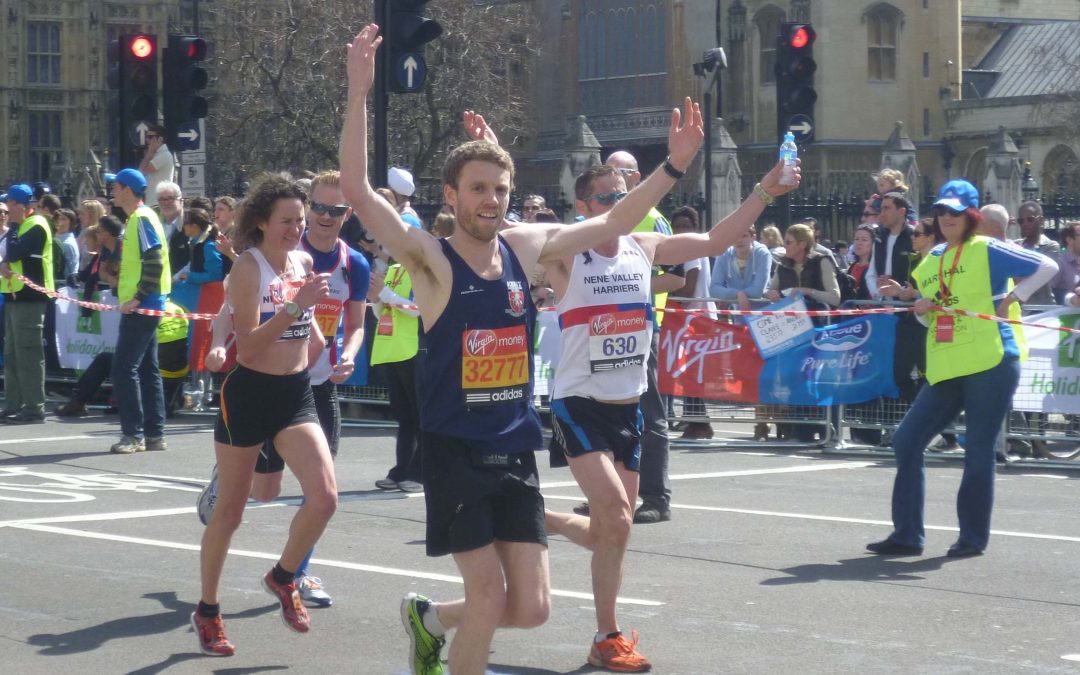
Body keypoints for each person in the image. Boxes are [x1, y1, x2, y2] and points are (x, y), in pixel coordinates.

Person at [339, 24, 703, 675]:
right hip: (455, 446)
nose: (491, 199)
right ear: (450, 197)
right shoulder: (430, 261)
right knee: (488, 598)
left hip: (516, 444)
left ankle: (426, 620)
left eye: (500, 189)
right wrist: (359, 94)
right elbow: (361, 194)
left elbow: (615, 220)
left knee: (530, 607)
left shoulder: (528, 248)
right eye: (477, 188)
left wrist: (672, 166)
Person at [544, 160, 793, 672]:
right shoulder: (567, 254)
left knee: (614, 529)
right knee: (613, 515)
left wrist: (765, 191)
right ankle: (608, 635)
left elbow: (716, 240)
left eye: (622, 194)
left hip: (628, 406)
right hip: (577, 404)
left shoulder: (645, 247)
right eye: (605, 198)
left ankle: (528, 517)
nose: (617, 205)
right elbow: (501, 229)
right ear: (583, 208)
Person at [866, 180, 1057, 559]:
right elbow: (931, 311)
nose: (947, 218)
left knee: (978, 450)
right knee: (906, 440)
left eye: (955, 212)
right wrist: (922, 309)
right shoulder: (933, 257)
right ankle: (907, 535)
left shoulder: (987, 248)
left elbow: (1047, 266)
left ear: (971, 215)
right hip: (948, 364)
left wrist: (1015, 297)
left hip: (991, 361)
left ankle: (972, 537)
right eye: (941, 212)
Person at [192, 173, 339, 657]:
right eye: (286, 221)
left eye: (300, 219)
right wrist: (296, 307)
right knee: (231, 514)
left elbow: (306, 324)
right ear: (260, 222)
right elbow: (250, 348)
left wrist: (323, 345)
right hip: (250, 393)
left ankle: (282, 578)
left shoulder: (301, 260)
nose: (296, 228)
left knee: (324, 498)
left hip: (295, 394)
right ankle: (208, 611)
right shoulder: (248, 269)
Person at [603, 150, 684, 525]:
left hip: (641, 326)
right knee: (608, 410)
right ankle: (611, 494)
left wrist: (629, 284)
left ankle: (655, 496)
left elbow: (677, 276)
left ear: (636, 178)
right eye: (608, 171)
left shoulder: (654, 219)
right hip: (604, 326)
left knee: (649, 414)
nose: (613, 180)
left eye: (620, 173)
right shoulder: (604, 216)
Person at [106, 169, 172, 454]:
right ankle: (154, 434)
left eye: (115, 187)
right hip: (148, 303)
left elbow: (154, 261)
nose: (112, 191)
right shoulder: (141, 218)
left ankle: (133, 435)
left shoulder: (142, 218)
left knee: (124, 368)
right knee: (147, 369)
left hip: (143, 306)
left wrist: (137, 297)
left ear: (127, 190)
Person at [56, 299, 189, 418]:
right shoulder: (178, 308)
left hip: (156, 368)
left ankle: (78, 402)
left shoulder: (144, 311)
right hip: (178, 371)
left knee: (105, 360)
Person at [0, 183, 54, 423]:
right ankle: (14, 404)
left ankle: (33, 407)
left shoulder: (36, 225)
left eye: (9, 204)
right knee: (12, 353)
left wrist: (12, 225)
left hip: (31, 299)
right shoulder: (22, 225)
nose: (7, 210)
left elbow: (13, 254)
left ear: (20, 205)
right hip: (14, 297)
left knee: (29, 353)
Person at [370, 261, 423, 492]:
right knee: (405, 417)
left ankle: (420, 473)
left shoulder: (422, 269)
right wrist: (376, 298)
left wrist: (384, 292)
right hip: (392, 349)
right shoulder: (393, 270)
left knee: (420, 416)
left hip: (414, 349)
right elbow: (380, 312)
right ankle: (401, 470)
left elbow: (417, 309)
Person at [669, 205, 718, 440]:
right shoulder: (687, 249)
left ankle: (699, 423)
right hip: (690, 318)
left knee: (692, 373)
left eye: (685, 226)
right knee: (689, 373)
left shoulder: (691, 251)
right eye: (676, 226)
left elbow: (688, 289)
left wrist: (664, 293)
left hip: (697, 318)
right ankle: (694, 419)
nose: (680, 231)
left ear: (694, 228)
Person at [765, 223, 841, 312]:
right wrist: (770, 294)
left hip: (819, 321)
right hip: (789, 321)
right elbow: (769, 291)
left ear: (802, 244)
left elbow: (835, 298)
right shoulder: (782, 264)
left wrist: (807, 291)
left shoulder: (822, 262)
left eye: (788, 242)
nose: (784, 246)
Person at [171, 208, 224, 313]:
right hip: (197, 297)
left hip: (206, 300)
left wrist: (189, 276)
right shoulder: (195, 244)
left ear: (194, 226)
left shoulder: (209, 246)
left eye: (185, 223)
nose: (183, 227)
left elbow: (215, 276)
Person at [1013, 201, 1059, 306]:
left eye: (1030, 219)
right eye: (1021, 221)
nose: (1025, 224)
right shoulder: (1015, 244)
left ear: (1041, 221)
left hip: (1042, 308)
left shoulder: (1051, 246)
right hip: (1018, 308)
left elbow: (1037, 274)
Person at [138, 124, 175, 207]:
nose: (147, 140)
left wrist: (148, 155)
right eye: (147, 137)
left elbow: (141, 173)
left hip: (158, 203)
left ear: (160, 139)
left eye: (151, 137)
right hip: (154, 202)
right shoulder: (157, 154)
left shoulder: (163, 155)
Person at [1052, 221, 1080, 304]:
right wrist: (1072, 299)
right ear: (1069, 240)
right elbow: (1049, 294)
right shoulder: (1059, 263)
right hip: (1065, 315)